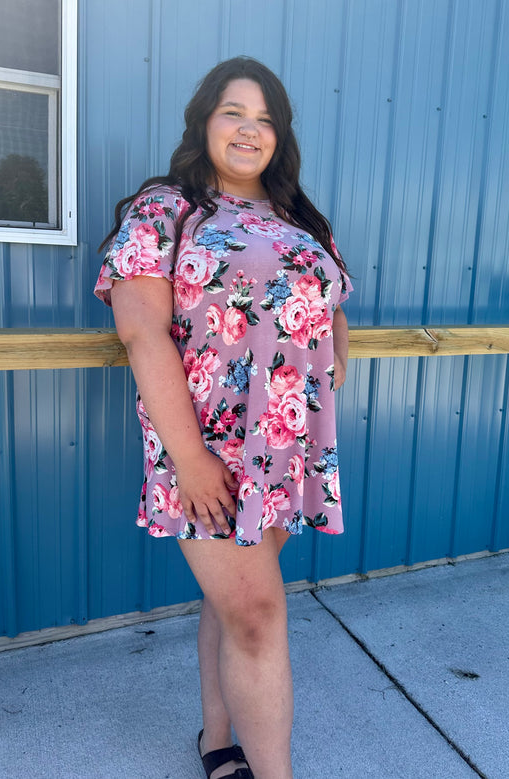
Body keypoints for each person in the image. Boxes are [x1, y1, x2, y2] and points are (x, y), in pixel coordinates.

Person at [95, 56, 351, 779]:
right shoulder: (166, 208)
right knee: (258, 615)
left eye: (265, 119)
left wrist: (332, 358)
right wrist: (190, 457)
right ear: (203, 121)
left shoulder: (298, 217)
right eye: (234, 112)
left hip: (281, 446)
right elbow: (141, 332)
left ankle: (217, 740)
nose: (250, 129)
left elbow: (331, 301)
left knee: (237, 600)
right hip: (201, 447)